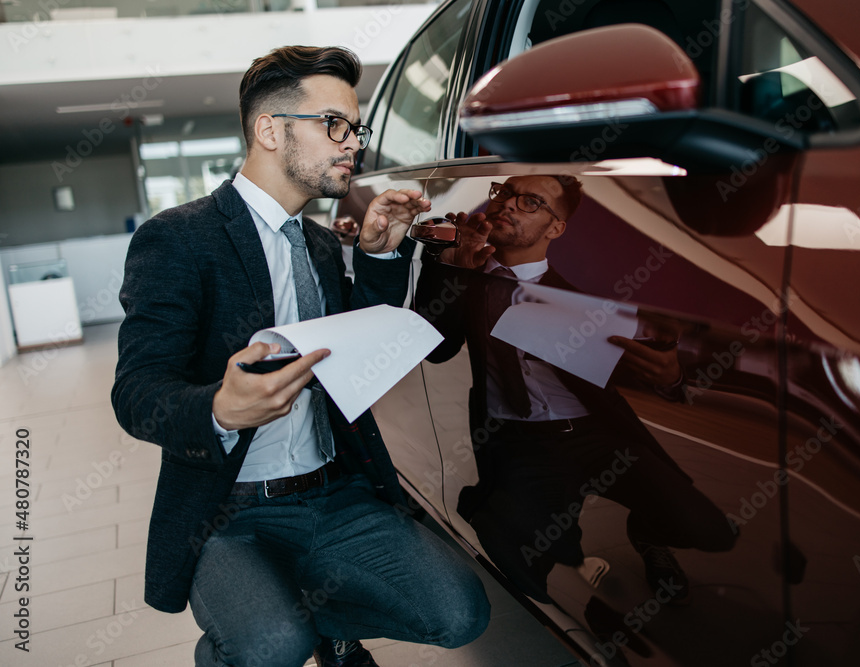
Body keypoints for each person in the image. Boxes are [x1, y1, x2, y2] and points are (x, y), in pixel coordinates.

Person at [112, 46, 489, 667]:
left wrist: (378, 254)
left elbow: (355, 350)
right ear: (269, 130)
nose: (353, 144)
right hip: (229, 512)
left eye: (356, 127)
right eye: (334, 125)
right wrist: (220, 408)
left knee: (459, 613)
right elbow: (136, 392)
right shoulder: (178, 239)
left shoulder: (316, 243)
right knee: (268, 645)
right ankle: (268, 630)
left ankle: (319, 622)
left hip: (332, 492)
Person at [415, 175, 736, 610]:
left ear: (555, 228)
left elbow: (654, 370)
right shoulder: (466, 271)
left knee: (708, 528)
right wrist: (449, 265)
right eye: (504, 193)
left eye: (530, 202)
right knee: (519, 550)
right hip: (520, 440)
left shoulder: (587, 296)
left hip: (597, 433)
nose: (508, 205)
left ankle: (645, 533)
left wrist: (671, 376)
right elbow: (436, 349)